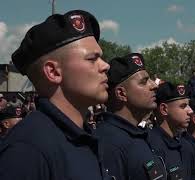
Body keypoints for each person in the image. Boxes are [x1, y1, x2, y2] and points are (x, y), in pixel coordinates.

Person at [0, 10, 112, 180]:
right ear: (53, 72)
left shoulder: (85, 136)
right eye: (92, 59)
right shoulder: (27, 150)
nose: (105, 66)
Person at [96, 53, 166, 180]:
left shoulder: (138, 134)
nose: (154, 85)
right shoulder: (109, 143)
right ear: (122, 93)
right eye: (144, 82)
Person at [148, 81, 193, 179]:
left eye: (188, 105)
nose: (190, 111)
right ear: (164, 109)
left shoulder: (186, 146)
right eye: (183, 106)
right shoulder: (151, 146)